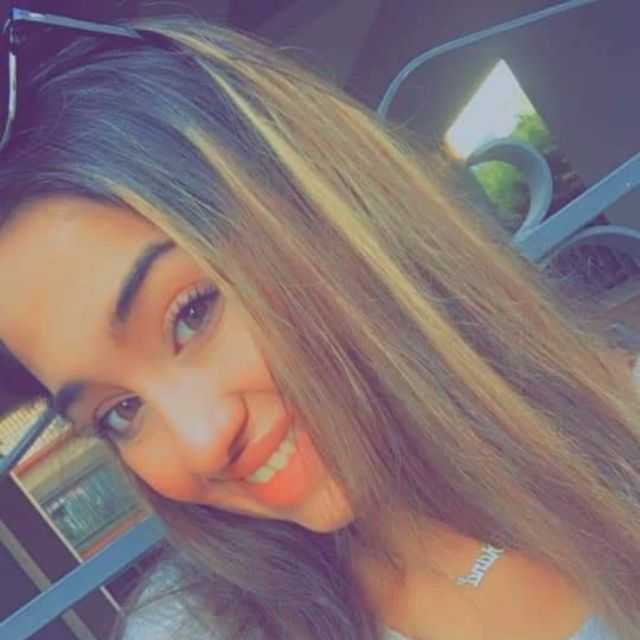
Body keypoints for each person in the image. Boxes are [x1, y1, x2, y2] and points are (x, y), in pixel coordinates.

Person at [0, 13, 638, 640]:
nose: (201, 442)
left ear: (323, 215)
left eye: (191, 313)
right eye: (120, 412)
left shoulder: (618, 421)